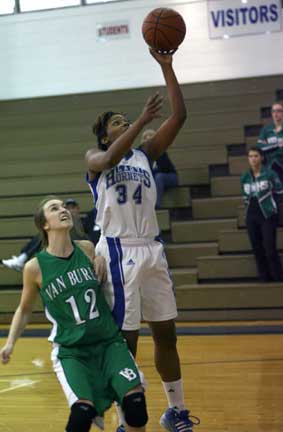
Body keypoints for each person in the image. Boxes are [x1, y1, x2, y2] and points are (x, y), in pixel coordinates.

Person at [85, 48, 199, 432]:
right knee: (125, 343)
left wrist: (167, 67)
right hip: (118, 252)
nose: (126, 123)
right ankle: (124, 420)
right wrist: (141, 122)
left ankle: (176, 411)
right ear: (105, 135)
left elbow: (180, 116)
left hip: (152, 249)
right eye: (118, 122)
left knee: (166, 333)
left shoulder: (146, 154)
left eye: (127, 119)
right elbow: (107, 159)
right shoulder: (95, 160)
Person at [0, 196, 148, 432]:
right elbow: (24, 309)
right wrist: (10, 344)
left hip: (109, 343)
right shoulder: (35, 267)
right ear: (45, 224)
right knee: (81, 414)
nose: (63, 210)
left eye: (64, 206)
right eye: (54, 208)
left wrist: (100, 258)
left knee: (136, 407)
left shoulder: (87, 249)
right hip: (72, 351)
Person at [1, 198, 100, 271]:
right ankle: (22, 258)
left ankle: (22, 258)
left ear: (78, 209)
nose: (68, 210)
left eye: (72, 207)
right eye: (67, 207)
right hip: (64, 245)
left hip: (84, 247)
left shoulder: (86, 221)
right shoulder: (59, 224)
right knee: (45, 234)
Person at [240, 147, 283, 282]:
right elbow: (245, 197)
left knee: (270, 248)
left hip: (268, 215)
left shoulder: (270, 174)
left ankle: (278, 277)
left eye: (255, 156)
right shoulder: (244, 177)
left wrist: (272, 207)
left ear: (261, 158)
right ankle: (264, 277)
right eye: (250, 156)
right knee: (257, 248)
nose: (253, 159)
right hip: (251, 216)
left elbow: (280, 193)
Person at [257, 103, 283, 199]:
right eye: (273, 111)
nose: (276, 114)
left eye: (279, 111)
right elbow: (260, 147)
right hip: (270, 166)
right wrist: (276, 145)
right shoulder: (266, 130)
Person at [141, 129, 178, 209]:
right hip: (156, 178)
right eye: (145, 139)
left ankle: (156, 205)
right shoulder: (142, 157)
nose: (147, 141)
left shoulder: (161, 152)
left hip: (170, 177)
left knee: (159, 177)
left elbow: (164, 169)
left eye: (150, 139)